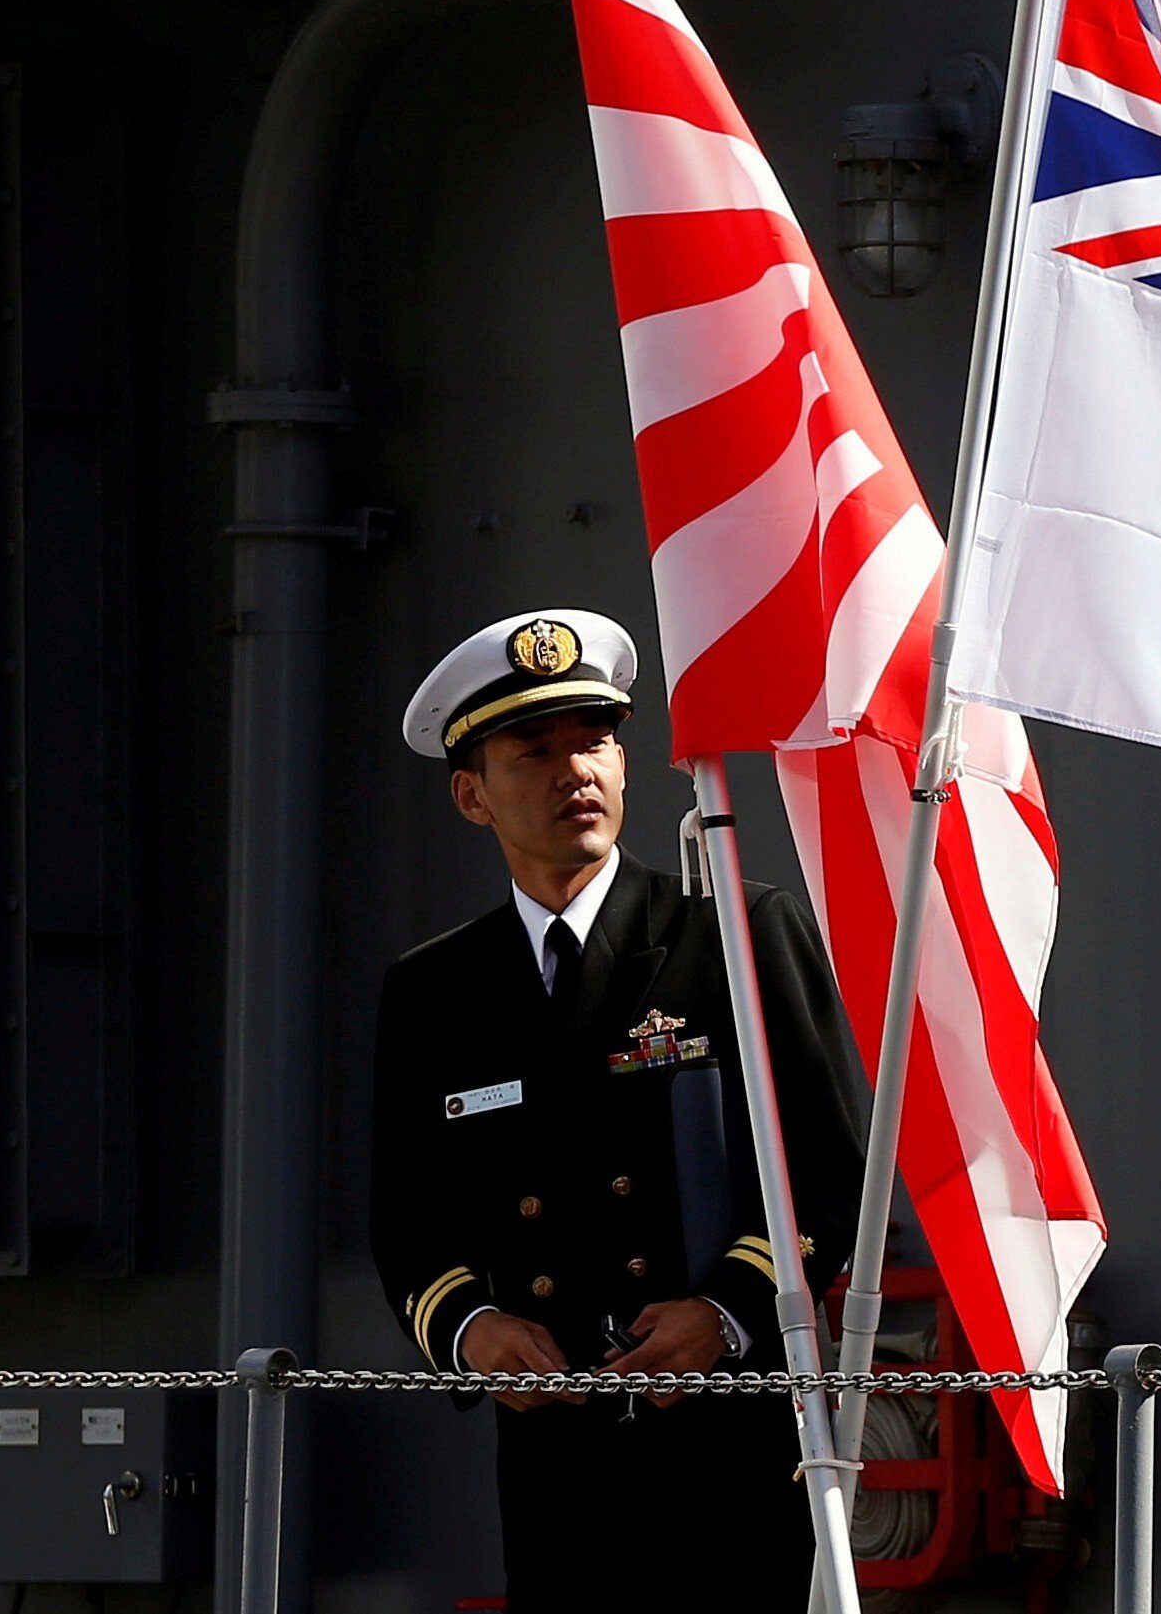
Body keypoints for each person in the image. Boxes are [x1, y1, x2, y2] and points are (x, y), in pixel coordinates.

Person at [369, 607, 864, 1611]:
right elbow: (408, 1215)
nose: (574, 772)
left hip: (728, 1434)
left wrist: (724, 1308)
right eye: (535, 751)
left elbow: (833, 1166)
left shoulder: (732, 930)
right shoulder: (435, 988)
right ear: (472, 794)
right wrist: (469, 1327)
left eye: (595, 741)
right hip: (556, 1458)